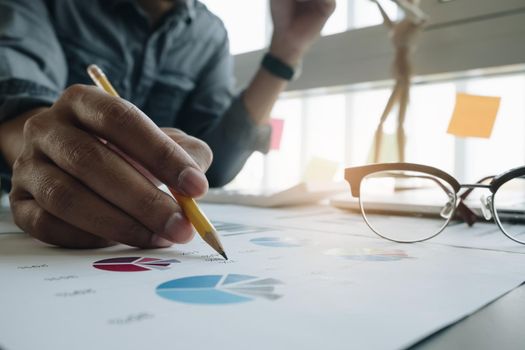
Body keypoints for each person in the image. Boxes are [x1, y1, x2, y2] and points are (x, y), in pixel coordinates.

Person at [0, 0, 335, 248]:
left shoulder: (209, 32)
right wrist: (42, 145)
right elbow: (17, 101)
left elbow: (215, 166)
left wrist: (287, 50)